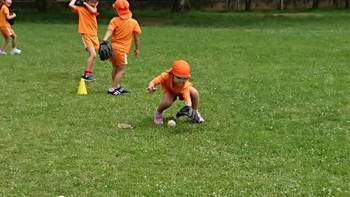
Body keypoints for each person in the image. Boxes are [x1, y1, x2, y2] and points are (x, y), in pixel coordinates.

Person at [101, 0, 141, 96]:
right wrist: (137, 49)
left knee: (115, 67)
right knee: (122, 70)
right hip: (122, 51)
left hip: (112, 49)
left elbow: (109, 31)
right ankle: (113, 89)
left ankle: (117, 86)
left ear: (116, 10)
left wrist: (104, 40)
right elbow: (136, 38)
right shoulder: (134, 22)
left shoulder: (114, 20)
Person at [147, 60, 204, 125]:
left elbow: (187, 99)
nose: (181, 81)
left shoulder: (185, 84)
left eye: (185, 78)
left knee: (194, 92)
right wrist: (151, 86)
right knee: (167, 102)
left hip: (181, 91)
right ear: (172, 74)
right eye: (178, 77)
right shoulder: (166, 76)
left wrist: (188, 108)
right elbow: (154, 81)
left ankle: (195, 113)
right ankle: (158, 113)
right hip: (170, 90)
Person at [69, 0, 99, 81]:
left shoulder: (94, 8)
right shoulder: (80, 9)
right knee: (93, 55)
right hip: (86, 34)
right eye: (92, 1)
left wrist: (85, 3)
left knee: (94, 56)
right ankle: (86, 75)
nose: (95, 2)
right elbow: (70, 4)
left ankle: (90, 73)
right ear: (87, 1)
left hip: (94, 34)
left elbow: (93, 11)